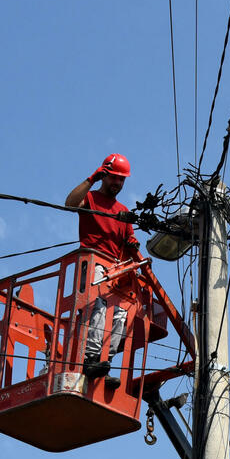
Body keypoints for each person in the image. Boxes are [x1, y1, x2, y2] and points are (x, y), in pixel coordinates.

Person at [65, 153, 141, 385]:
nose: (118, 183)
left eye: (122, 180)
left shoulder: (123, 211)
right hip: (93, 263)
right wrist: (91, 178)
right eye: (114, 178)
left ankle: (102, 363)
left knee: (122, 315)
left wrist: (133, 248)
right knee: (98, 307)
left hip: (115, 269)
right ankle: (89, 359)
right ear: (105, 175)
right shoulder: (90, 198)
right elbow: (69, 204)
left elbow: (131, 244)